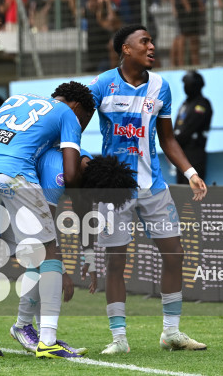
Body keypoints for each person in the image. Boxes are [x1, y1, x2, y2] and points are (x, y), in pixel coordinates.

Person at [88, 25, 208, 355]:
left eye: (152, 41)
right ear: (125, 49)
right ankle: (119, 339)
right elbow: (75, 120)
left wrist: (190, 171)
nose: (152, 46)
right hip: (115, 190)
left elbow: (167, 138)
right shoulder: (101, 84)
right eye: (145, 42)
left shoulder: (161, 86)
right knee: (116, 262)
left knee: (175, 254)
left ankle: (171, 332)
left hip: (154, 187)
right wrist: (83, 167)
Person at [0, 81, 96, 359]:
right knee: (47, 252)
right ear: (78, 109)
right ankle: (48, 339)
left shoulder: (16, 99)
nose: (83, 126)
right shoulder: (67, 115)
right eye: (86, 120)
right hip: (14, 173)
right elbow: (72, 175)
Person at [9, 152, 136, 356]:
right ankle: (22, 325)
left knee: (40, 260)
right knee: (38, 258)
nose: (95, 201)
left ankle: (44, 336)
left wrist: (90, 258)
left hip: (28, 196)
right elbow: (44, 232)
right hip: (10, 187)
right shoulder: (58, 175)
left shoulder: (84, 170)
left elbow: (84, 215)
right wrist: (61, 271)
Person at [173, 71, 212, 185]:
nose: (185, 87)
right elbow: (177, 125)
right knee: (181, 189)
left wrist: (173, 143)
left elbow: (188, 129)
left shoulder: (202, 104)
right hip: (181, 153)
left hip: (194, 153)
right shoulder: (185, 103)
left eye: (188, 84)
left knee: (192, 191)